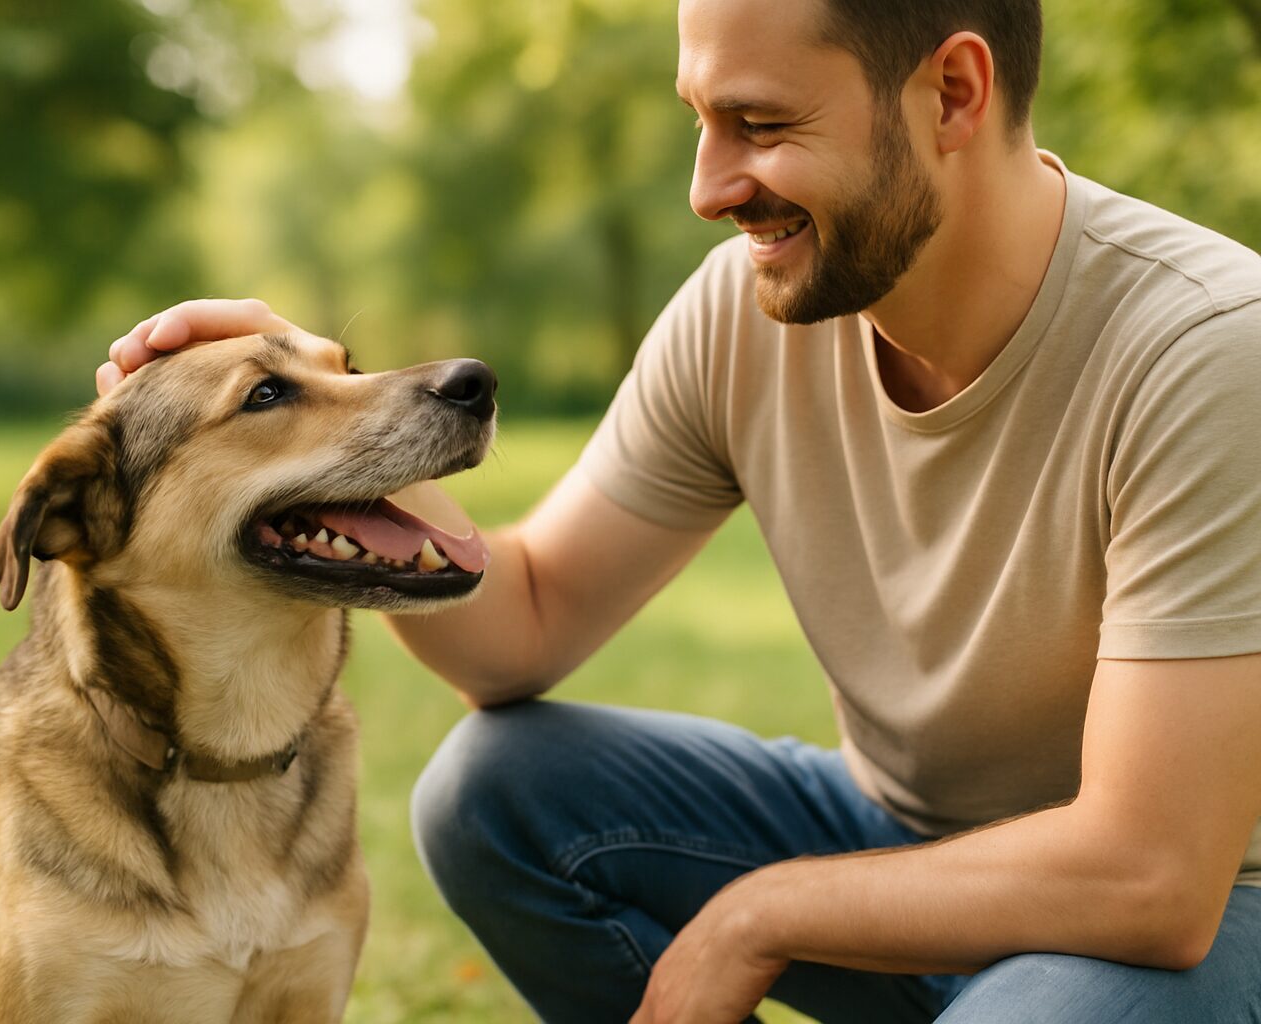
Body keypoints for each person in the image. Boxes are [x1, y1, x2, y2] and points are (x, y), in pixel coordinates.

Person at [97, 0, 1261, 1019]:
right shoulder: (751, 313)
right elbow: (526, 622)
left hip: (1201, 920)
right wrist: (320, 418)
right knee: (498, 790)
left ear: (951, 92)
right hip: (901, 835)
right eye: (700, 121)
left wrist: (759, 913)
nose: (708, 188)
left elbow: (1149, 877)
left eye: (760, 125)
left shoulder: (1208, 351)